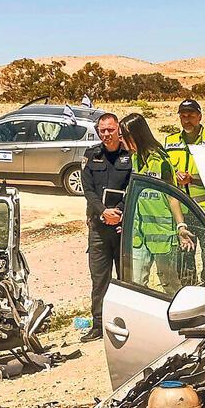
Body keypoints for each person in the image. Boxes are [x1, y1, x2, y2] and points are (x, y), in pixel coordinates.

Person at [81, 114, 133, 344]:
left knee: (126, 278)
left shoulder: (129, 155)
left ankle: (128, 321)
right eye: (102, 130)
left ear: (118, 130)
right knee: (99, 279)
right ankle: (98, 324)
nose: (106, 134)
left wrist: (118, 211)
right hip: (99, 228)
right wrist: (103, 211)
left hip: (123, 227)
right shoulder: (91, 155)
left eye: (110, 130)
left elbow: (132, 186)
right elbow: (88, 190)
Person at [162, 97, 205, 210]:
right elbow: (164, 171)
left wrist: (192, 179)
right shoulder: (170, 141)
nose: (187, 121)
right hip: (178, 208)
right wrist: (174, 175)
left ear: (199, 117)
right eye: (183, 116)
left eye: (191, 116)